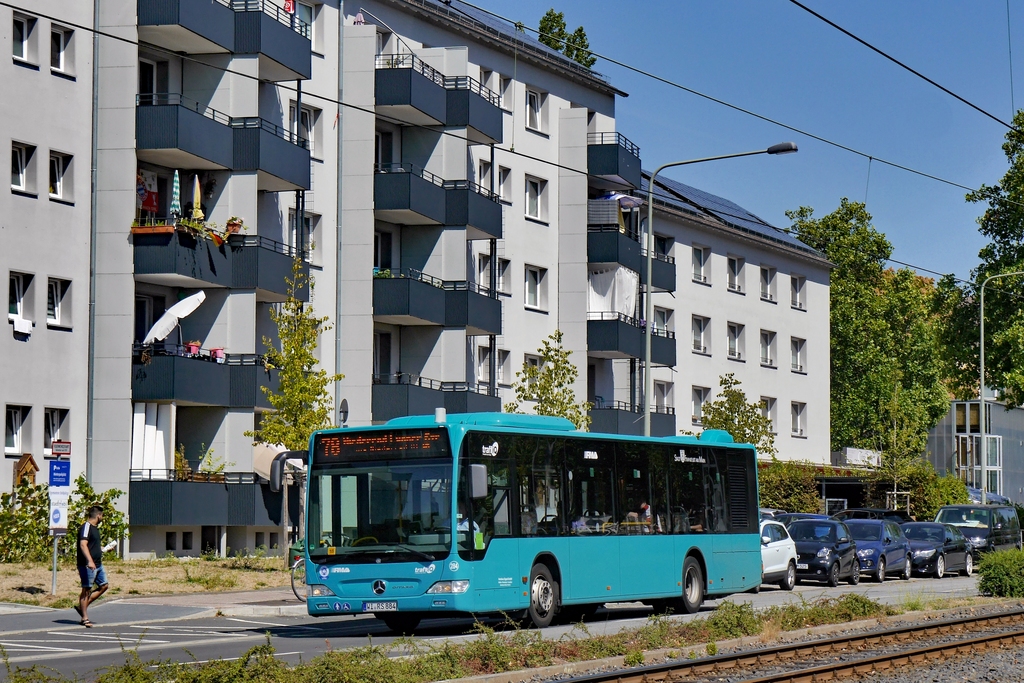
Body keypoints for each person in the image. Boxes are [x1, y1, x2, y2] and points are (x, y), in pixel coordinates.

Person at [76, 506, 108, 628]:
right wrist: (89, 561)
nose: (102, 518)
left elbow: (92, 546)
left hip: (98, 564)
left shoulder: (95, 529)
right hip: (87, 565)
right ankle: (84, 618)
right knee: (86, 589)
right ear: (98, 515)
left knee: (104, 585)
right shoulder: (86, 527)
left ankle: (82, 606)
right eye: (102, 516)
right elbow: (83, 545)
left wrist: (103, 549)